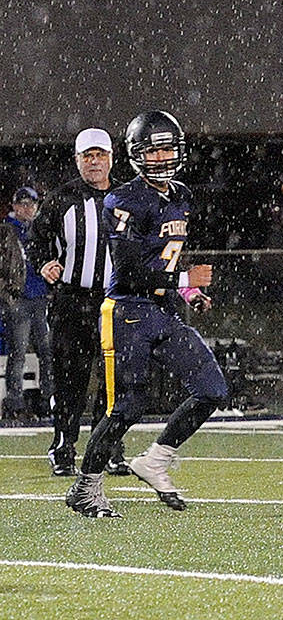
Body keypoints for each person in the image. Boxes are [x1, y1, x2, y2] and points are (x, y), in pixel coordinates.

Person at [65, 110, 227, 519]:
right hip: (126, 312)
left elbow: (166, 255)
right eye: (152, 150)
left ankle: (155, 460)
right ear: (137, 155)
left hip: (162, 309)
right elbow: (131, 268)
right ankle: (86, 488)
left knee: (211, 387)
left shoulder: (181, 195)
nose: (161, 157)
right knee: (126, 408)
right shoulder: (123, 199)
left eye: (168, 148)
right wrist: (186, 276)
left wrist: (188, 290)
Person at [33, 128, 129, 475]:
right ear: (77, 160)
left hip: (114, 301)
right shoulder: (61, 199)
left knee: (114, 380)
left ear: (111, 158)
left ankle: (108, 447)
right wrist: (44, 262)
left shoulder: (127, 197)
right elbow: (37, 239)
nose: (94, 162)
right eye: (87, 156)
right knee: (68, 379)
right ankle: (63, 446)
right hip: (72, 301)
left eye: (100, 155)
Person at [2, 187, 51, 421]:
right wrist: (8, 295)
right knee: (19, 353)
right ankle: (15, 402)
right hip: (20, 299)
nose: (27, 208)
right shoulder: (6, 231)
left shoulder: (40, 230)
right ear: (14, 206)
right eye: (22, 204)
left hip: (40, 297)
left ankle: (48, 400)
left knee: (47, 353)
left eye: (31, 204)